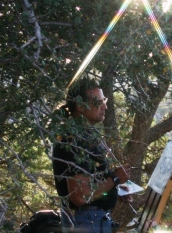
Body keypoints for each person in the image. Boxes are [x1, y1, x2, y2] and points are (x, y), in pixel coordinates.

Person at [52, 77, 131, 233]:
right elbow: (80, 197)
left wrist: (114, 188)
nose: (104, 107)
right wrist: (114, 179)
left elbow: (92, 186)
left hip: (93, 219)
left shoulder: (85, 135)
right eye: (98, 102)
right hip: (87, 221)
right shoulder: (75, 139)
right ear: (81, 106)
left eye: (104, 101)